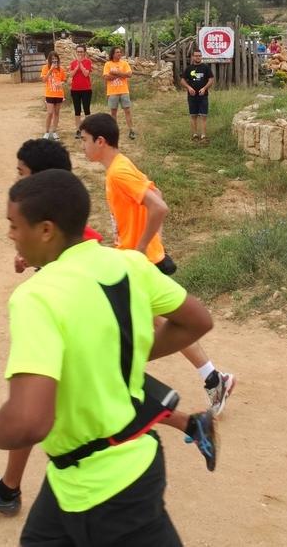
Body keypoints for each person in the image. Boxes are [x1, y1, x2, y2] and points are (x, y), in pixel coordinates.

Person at [0, 169, 214, 545]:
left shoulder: (37, 297)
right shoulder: (128, 264)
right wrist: (122, 353)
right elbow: (197, 320)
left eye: (14, 225)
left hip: (106, 488)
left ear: (46, 230)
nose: (10, 234)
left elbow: (28, 422)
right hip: (104, 469)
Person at [79, 112, 236, 416]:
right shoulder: (119, 167)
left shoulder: (118, 173)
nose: (82, 146)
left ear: (100, 141)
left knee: (128, 330)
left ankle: (124, 397)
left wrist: (141, 249)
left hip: (137, 264)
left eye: (84, 140)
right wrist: (154, 243)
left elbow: (159, 206)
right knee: (162, 325)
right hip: (136, 260)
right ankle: (214, 379)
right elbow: (157, 194)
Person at [179, 48, 215, 141]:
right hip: (192, 96)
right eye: (196, 56)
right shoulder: (189, 68)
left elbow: (211, 79)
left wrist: (204, 88)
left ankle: (203, 136)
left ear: (201, 57)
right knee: (193, 115)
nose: (198, 57)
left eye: (199, 56)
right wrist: (189, 87)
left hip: (203, 95)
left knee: (203, 116)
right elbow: (182, 80)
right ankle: (195, 135)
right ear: (193, 57)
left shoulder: (206, 68)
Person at [103, 46, 136, 140]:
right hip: (112, 92)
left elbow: (129, 74)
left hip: (124, 91)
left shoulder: (124, 63)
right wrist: (121, 74)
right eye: (117, 52)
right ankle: (115, 131)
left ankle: (131, 130)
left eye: (120, 52)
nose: (119, 54)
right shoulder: (108, 64)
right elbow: (106, 77)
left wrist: (116, 73)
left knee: (127, 111)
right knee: (113, 112)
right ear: (113, 54)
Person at [67, 44, 94, 139]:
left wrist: (80, 64)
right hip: (75, 89)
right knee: (77, 110)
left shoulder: (88, 62)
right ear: (76, 52)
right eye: (78, 52)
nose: (79, 53)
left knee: (87, 110)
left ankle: (88, 130)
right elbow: (71, 75)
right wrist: (76, 67)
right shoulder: (73, 63)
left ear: (84, 52)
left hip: (86, 89)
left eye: (81, 52)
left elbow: (86, 74)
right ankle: (78, 130)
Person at [41, 52, 66, 140]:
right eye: (52, 59)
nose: (54, 61)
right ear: (49, 60)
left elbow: (64, 80)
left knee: (57, 113)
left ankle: (54, 131)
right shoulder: (45, 68)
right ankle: (47, 132)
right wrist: (50, 70)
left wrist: (61, 83)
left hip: (59, 94)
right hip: (49, 93)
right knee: (50, 113)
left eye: (56, 59)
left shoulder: (61, 69)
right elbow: (44, 80)